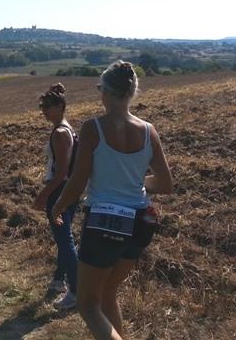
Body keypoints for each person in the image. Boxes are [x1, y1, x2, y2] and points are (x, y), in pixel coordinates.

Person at [51, 61, 173, 340]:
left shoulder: (93, 128)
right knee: (108, 292)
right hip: (142, 222)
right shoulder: (148, 131)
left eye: (99, 89)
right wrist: (134, 182)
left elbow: (78, 181)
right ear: (131, 93)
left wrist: (59, 206)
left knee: (87, 303)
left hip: (106, 222)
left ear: (106, 92)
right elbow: (165, 184)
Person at [32, 83, 79, 310]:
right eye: (43, 107)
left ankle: (78, 290)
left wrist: (43, 196)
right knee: (64, 238)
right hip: (69, 191)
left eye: (48, 107)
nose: (44, 112)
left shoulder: (60, 133)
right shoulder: (66, 129)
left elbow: (61, 173)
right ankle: (59, 280)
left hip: (59, 191)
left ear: (60, 106)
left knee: (65, 240)